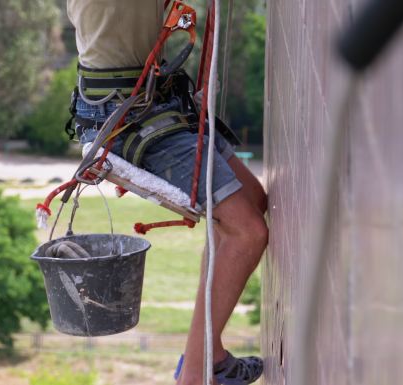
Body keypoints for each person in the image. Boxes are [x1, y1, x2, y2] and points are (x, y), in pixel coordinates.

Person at [67, 1, 269, 384]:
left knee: (251, 203)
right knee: (248, 232)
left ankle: (208, 354)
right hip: (128, 119)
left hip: (155, 104)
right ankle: (195, 375)